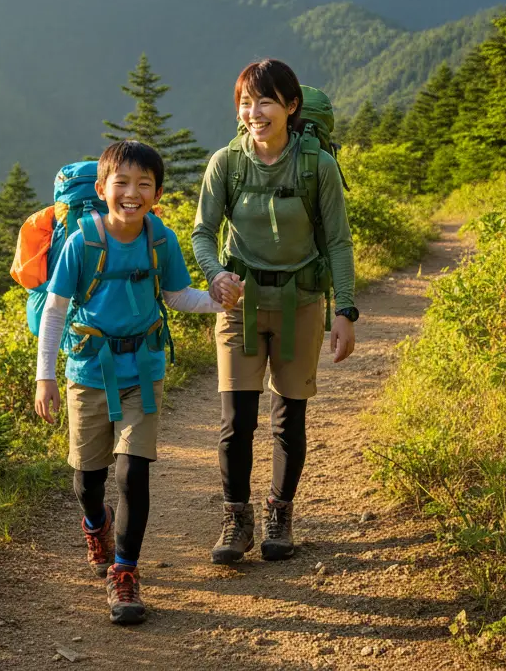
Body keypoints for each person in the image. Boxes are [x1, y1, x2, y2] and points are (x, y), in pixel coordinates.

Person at [34, 140, 226, 624]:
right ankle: (95, 524)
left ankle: (125, 573)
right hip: (88, 375)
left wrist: (223, 300)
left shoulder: (159, 240)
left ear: (157, 192)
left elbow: (178, 296)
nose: (132, 193)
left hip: (143, 369)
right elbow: (56, 310)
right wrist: (46, 377)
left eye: (144, 184)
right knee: (88, 481)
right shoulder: (81, 243)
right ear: (102, 189)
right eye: (122, 183)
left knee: (132, 472)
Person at [193, 59, 358, 563]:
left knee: (289, 417)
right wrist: (214, 274)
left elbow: (338, 242)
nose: (254, 112)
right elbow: (202, 232)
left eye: (265, 101)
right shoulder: (226, 162)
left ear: (291, 107)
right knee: (235, 420)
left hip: (301, 303)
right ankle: (236, 518)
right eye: (245, 102)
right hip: (241, 305)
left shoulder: (317, 167)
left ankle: (280, 513)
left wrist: (345, 310)